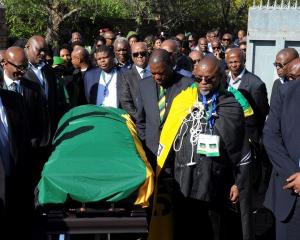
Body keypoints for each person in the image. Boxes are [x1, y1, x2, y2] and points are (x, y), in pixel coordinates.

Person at [157, 55, 251, 240]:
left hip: (214, 185)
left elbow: (240, 150)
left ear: (221, 77)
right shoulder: (183, 101)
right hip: (182, 183)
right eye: (199, 78)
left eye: (209, 79)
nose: (203, 83)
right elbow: (168, 138)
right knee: (184, 230)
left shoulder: (231, 105)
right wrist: (166, 173)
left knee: (212, 231)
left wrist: (237, 183)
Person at [136, 49, 193, 166]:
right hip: (151, 151)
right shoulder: (144, 85)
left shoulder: (187, 85)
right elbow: (141, 120)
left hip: (176, 152)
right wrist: (145, 142)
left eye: (161, 73)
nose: (157, 77)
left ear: (171, 65)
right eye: (153, 73)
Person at [263, 59, 300, 240]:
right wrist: (295, 175)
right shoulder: (283, 95)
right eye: (292, 78)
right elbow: (270, 137)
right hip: (290, 190)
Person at [119, 42, 151, 121]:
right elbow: (125, 102)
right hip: (140, 123)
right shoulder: (126, 76)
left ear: (148, 53)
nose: (139, 56)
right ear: (132, 57)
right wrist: (139, 118)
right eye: (135, 54)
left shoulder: (156, 71)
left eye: (143, 53)